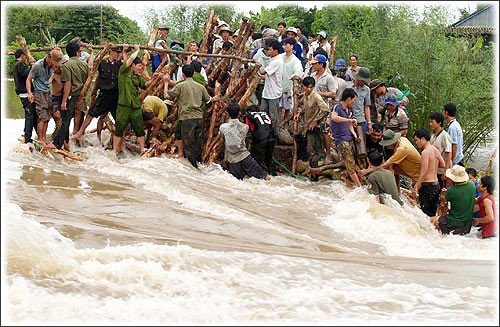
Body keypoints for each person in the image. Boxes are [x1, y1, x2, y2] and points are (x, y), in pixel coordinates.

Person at [166, 64, 220, 167]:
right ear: (193, 73)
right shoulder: (200, 87)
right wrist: (215, 98)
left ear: (183, 74)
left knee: (189, 145)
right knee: (197, 144)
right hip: (199, 117)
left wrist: (165, 83)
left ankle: (194, 169)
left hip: (187, 118)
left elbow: (168, 95)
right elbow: (209, 100)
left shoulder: (180, 85)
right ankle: (200, 166)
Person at [72, 46, 123, 144]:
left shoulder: (120, 65)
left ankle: (119, 139)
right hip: (104, 95)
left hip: (115, 96)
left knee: (119, 119)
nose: (118, 54)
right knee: (91, 114)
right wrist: (96, 53)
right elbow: (92, 67)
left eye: (119, 52)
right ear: (111, 52)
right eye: (117, 52)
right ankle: (79, 133)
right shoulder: (102, 63)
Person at [113, 44, 158, 155]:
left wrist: (154, 78)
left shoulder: (137, 76)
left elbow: (146, 85)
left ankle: (142, 149)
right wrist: (137, 50)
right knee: (119, 128)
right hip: (124, 105)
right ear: (132, 65)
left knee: (139, 128)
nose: (141, 68)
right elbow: (130, 59)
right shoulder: (123, 71)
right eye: (139, 66)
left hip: (135, 106)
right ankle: (114, 151)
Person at [219, 102, 270, 181]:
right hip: (245, 156)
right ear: (239, 113)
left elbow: (224, 137)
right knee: (265, 177)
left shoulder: (223, 127)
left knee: (236, 181)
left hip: (233, 160)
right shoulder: (245, 127)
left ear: (227, 113)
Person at [53, 40, 89, 151]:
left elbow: (67, 84)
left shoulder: (67, 66)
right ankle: (70, 143)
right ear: (78, 52)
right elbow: (87, 81)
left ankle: (58, 145)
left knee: (66, 120)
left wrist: (64, 101)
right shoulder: (84, 65)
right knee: (78, 116)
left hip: (71, 96)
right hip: (81, 95)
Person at [26, 47, 63, 149]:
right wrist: (30, 93)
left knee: (47, 117)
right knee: (42, 117)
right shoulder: (37, 66)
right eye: (54, 62)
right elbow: (29, 79)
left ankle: (44, 137)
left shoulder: (51, 66)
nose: (55, 65)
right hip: (39, 93)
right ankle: (40, 139)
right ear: (49, 57)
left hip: (47, 92)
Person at [293, 76, 330, 169]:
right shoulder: (305, 96)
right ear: (303, 87)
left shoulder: (316, 96)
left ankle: (314, 173)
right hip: (307, 124)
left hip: (314, 127)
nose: (309, 89)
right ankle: (305, 161)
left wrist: (316, 121)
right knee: (297, 136)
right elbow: (305, 108)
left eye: (311, 87)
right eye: (307, 87)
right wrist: (299, 113)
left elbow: (326, 109)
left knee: (311, 150)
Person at [330, 87, 362, 187]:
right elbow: (334, 117)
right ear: (348, 99)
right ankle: (359, 186)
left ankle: (351, 182)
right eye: (353, 100)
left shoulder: (350, 110)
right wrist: (348, 120)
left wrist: (355, 135)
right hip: (341, 139)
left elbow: (350, 126)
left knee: (352, 161)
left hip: (349, 138)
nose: (354, 102)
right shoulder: (337, 107)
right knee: (350, 163)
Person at [430, 165, 476, 235]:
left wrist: (443, 194)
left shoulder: (451, 191)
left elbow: (443, 200)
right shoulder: (472, 185)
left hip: (454, 222)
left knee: (430, 220)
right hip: (467, 224)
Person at [310, 53, 337, 164]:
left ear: (321, 64)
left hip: (324, 108)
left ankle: (328, 155)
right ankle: (316, 153)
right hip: (312, 107)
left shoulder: (329, 78)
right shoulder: (312, 76)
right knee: (312, 129)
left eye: (315, 64)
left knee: (325, 131)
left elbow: (333, 93)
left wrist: (320, 94)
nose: (313, 66)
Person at [413, 128, 445, 217]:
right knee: (432, 213)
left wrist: (417, 186)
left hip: (427, 186)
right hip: (436, 185)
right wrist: (433, 165)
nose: (416, 143)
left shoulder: (425, 152)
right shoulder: (435, 149)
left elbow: (424, 171)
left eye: (416, 140)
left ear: (423, 139)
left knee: (425, 215)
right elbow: (443, 164)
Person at [259, 39, 284, 137]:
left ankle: (276, 134)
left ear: (276, 51)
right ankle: (264, 132)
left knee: (273, 116)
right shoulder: (274, 60)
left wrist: (257, 63)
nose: (268, 52)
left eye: (270, 50)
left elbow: (262, 72)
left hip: (273, 93)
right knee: (262, 112)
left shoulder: (277, 61)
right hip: (268, 91)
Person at [13, 48, 37, 144]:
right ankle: (27, 136)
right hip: (26, 93)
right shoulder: (20, 64)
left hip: (22, 93)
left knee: (32, 114)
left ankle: (33, 134)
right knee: (30, 115)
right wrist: (32, 64)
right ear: (22, 56)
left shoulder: (15, 65)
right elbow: (28, 75)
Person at [279, 37, 303, 130]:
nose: (284, 47)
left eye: (286, 45)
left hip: (289, 87)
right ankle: (279, 126)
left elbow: (298, 71)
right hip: (278, 86)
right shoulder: (280, 57)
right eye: (284, 45)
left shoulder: (295, 60)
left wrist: (294, 76)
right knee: (279, 108)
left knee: (287, 108)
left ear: (292, 46)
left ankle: (285, 127)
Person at [245, 105, 276, 175]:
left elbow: (249, 128)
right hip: (272, 137)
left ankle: (254, 176)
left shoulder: (248, 116)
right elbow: (271, 124)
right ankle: (273, 174)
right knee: (269, 159)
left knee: (256, 160)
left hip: (260, 139)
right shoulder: (266, 114)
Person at [429, 112, 452, 188]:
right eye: (430, 122)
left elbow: (449, 153)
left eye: (432, 122)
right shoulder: (433, 136)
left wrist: (446, 170)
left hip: (442, 170)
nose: (430, 124)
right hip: (435, 169)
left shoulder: (444, 135)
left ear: (439, 123)